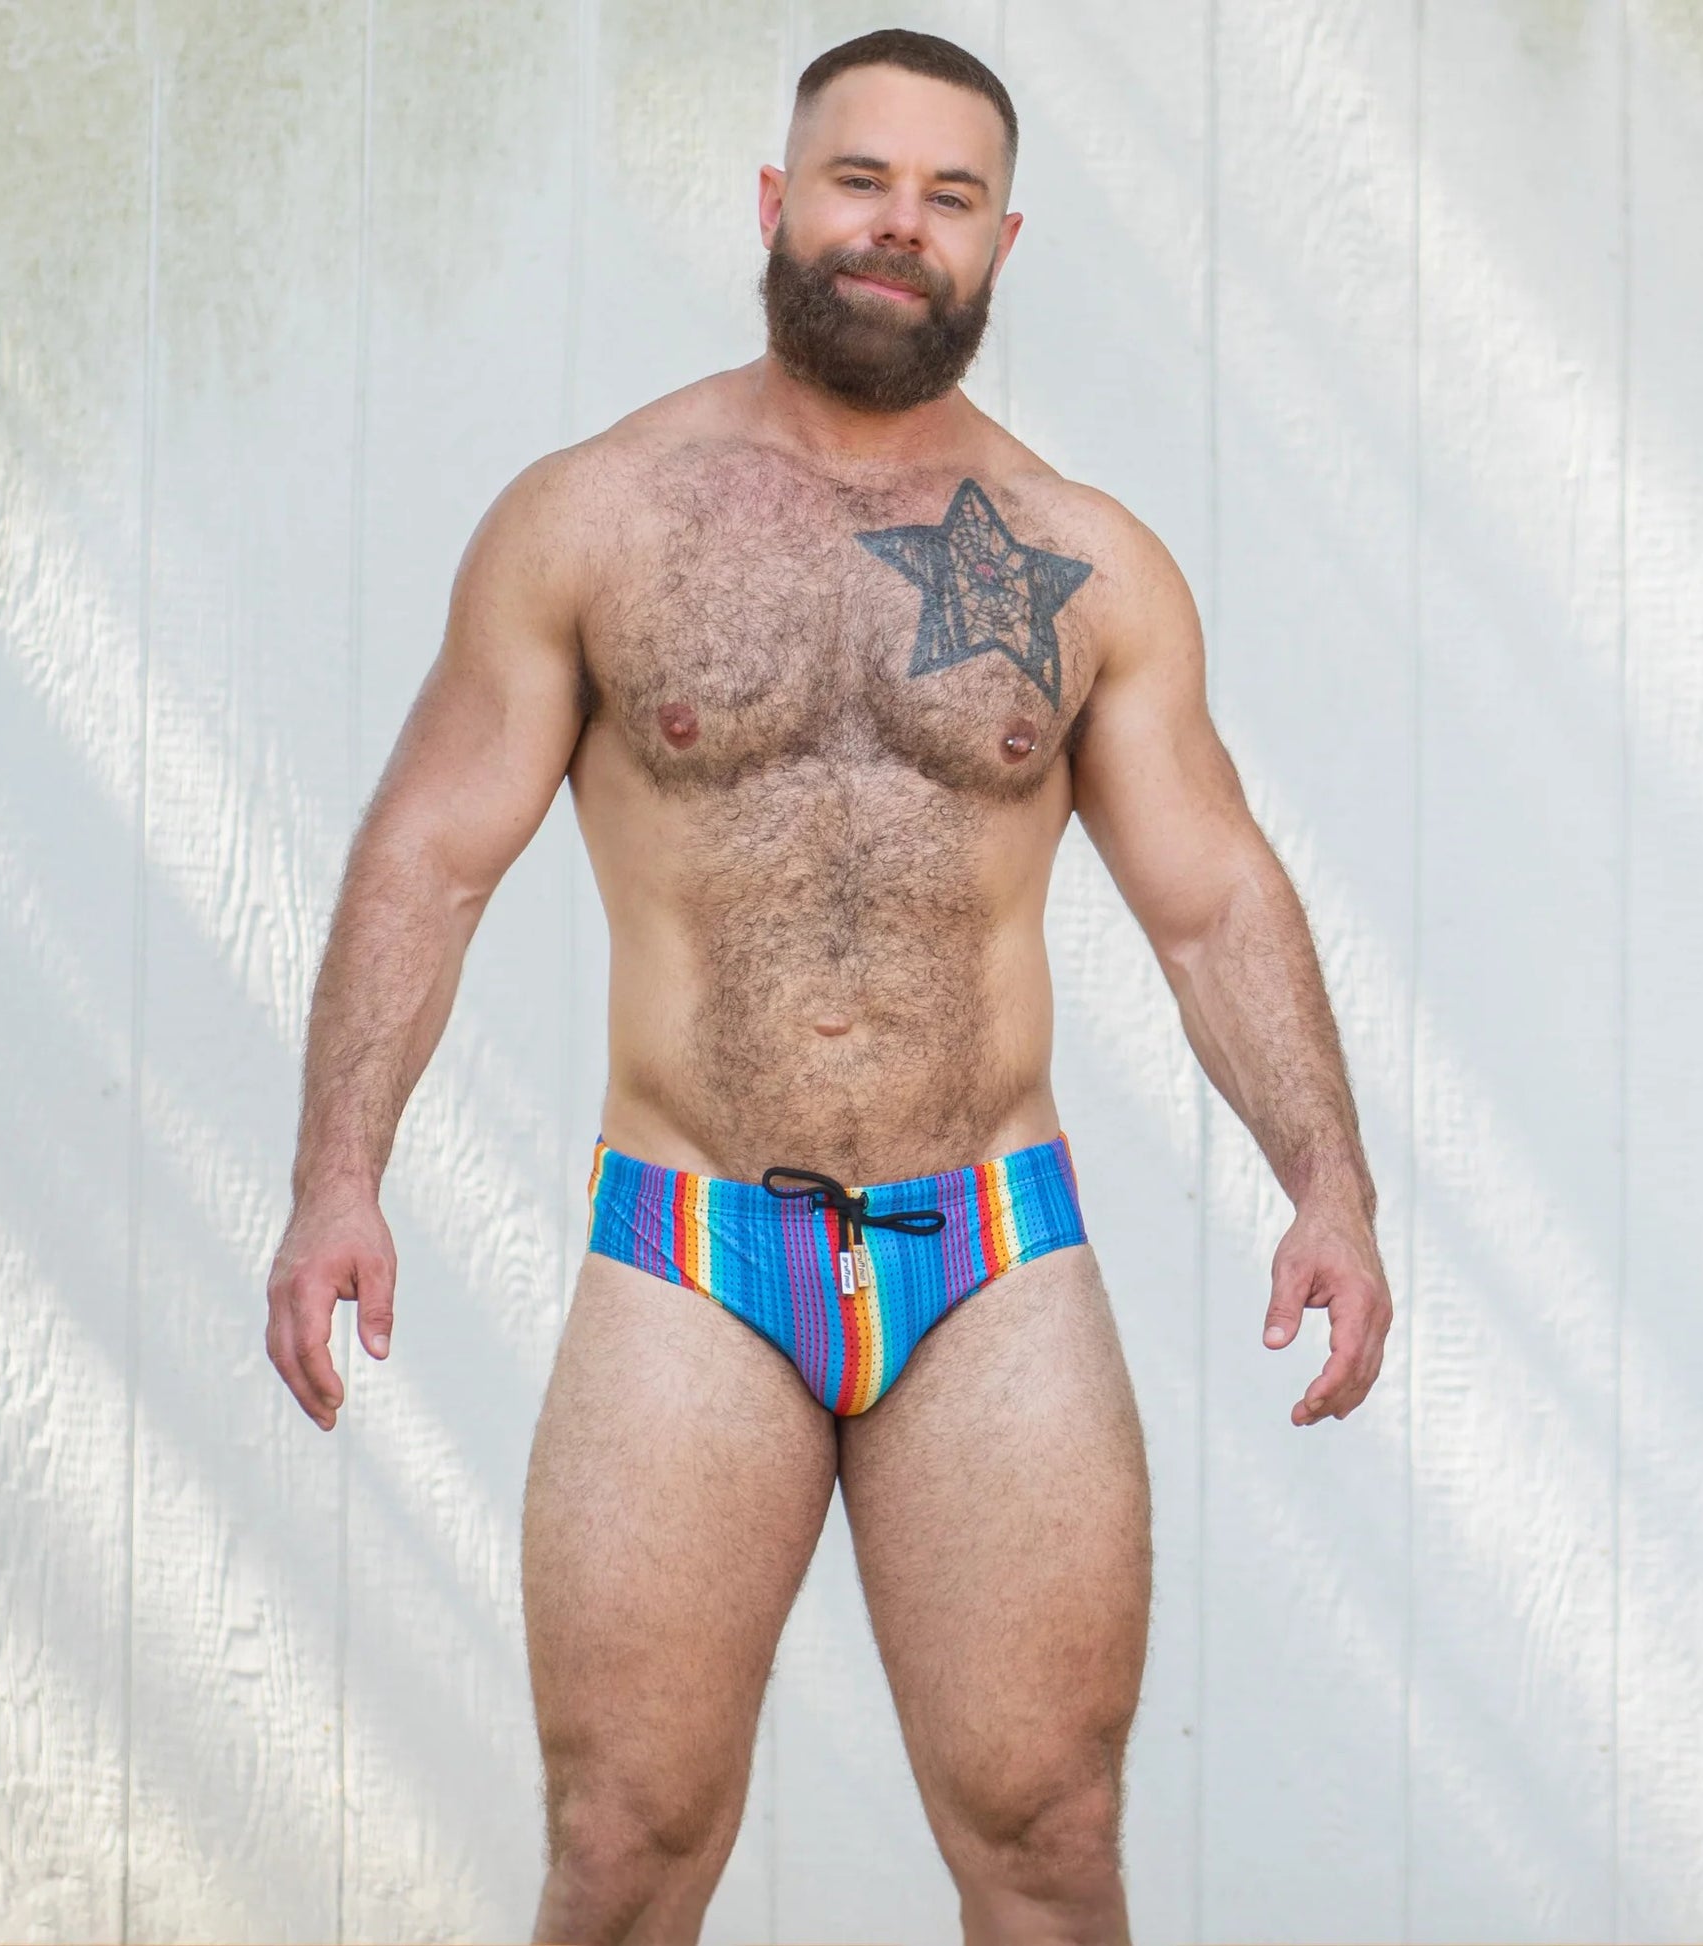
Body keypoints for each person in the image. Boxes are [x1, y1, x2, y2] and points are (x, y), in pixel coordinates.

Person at [264, 26, 1393, 1944]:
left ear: (1000, 244)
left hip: (993, 1251)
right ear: (779, 202)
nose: (898, 225)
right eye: (861, 179)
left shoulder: (1085, 561)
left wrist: (1329, 1185)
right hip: (691, 1245)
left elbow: (1210, 901)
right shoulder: (597, 517)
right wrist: (336, 1176)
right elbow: (430, 853)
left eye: (948, 197)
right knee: (626, 1841)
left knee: (1046, 1834)